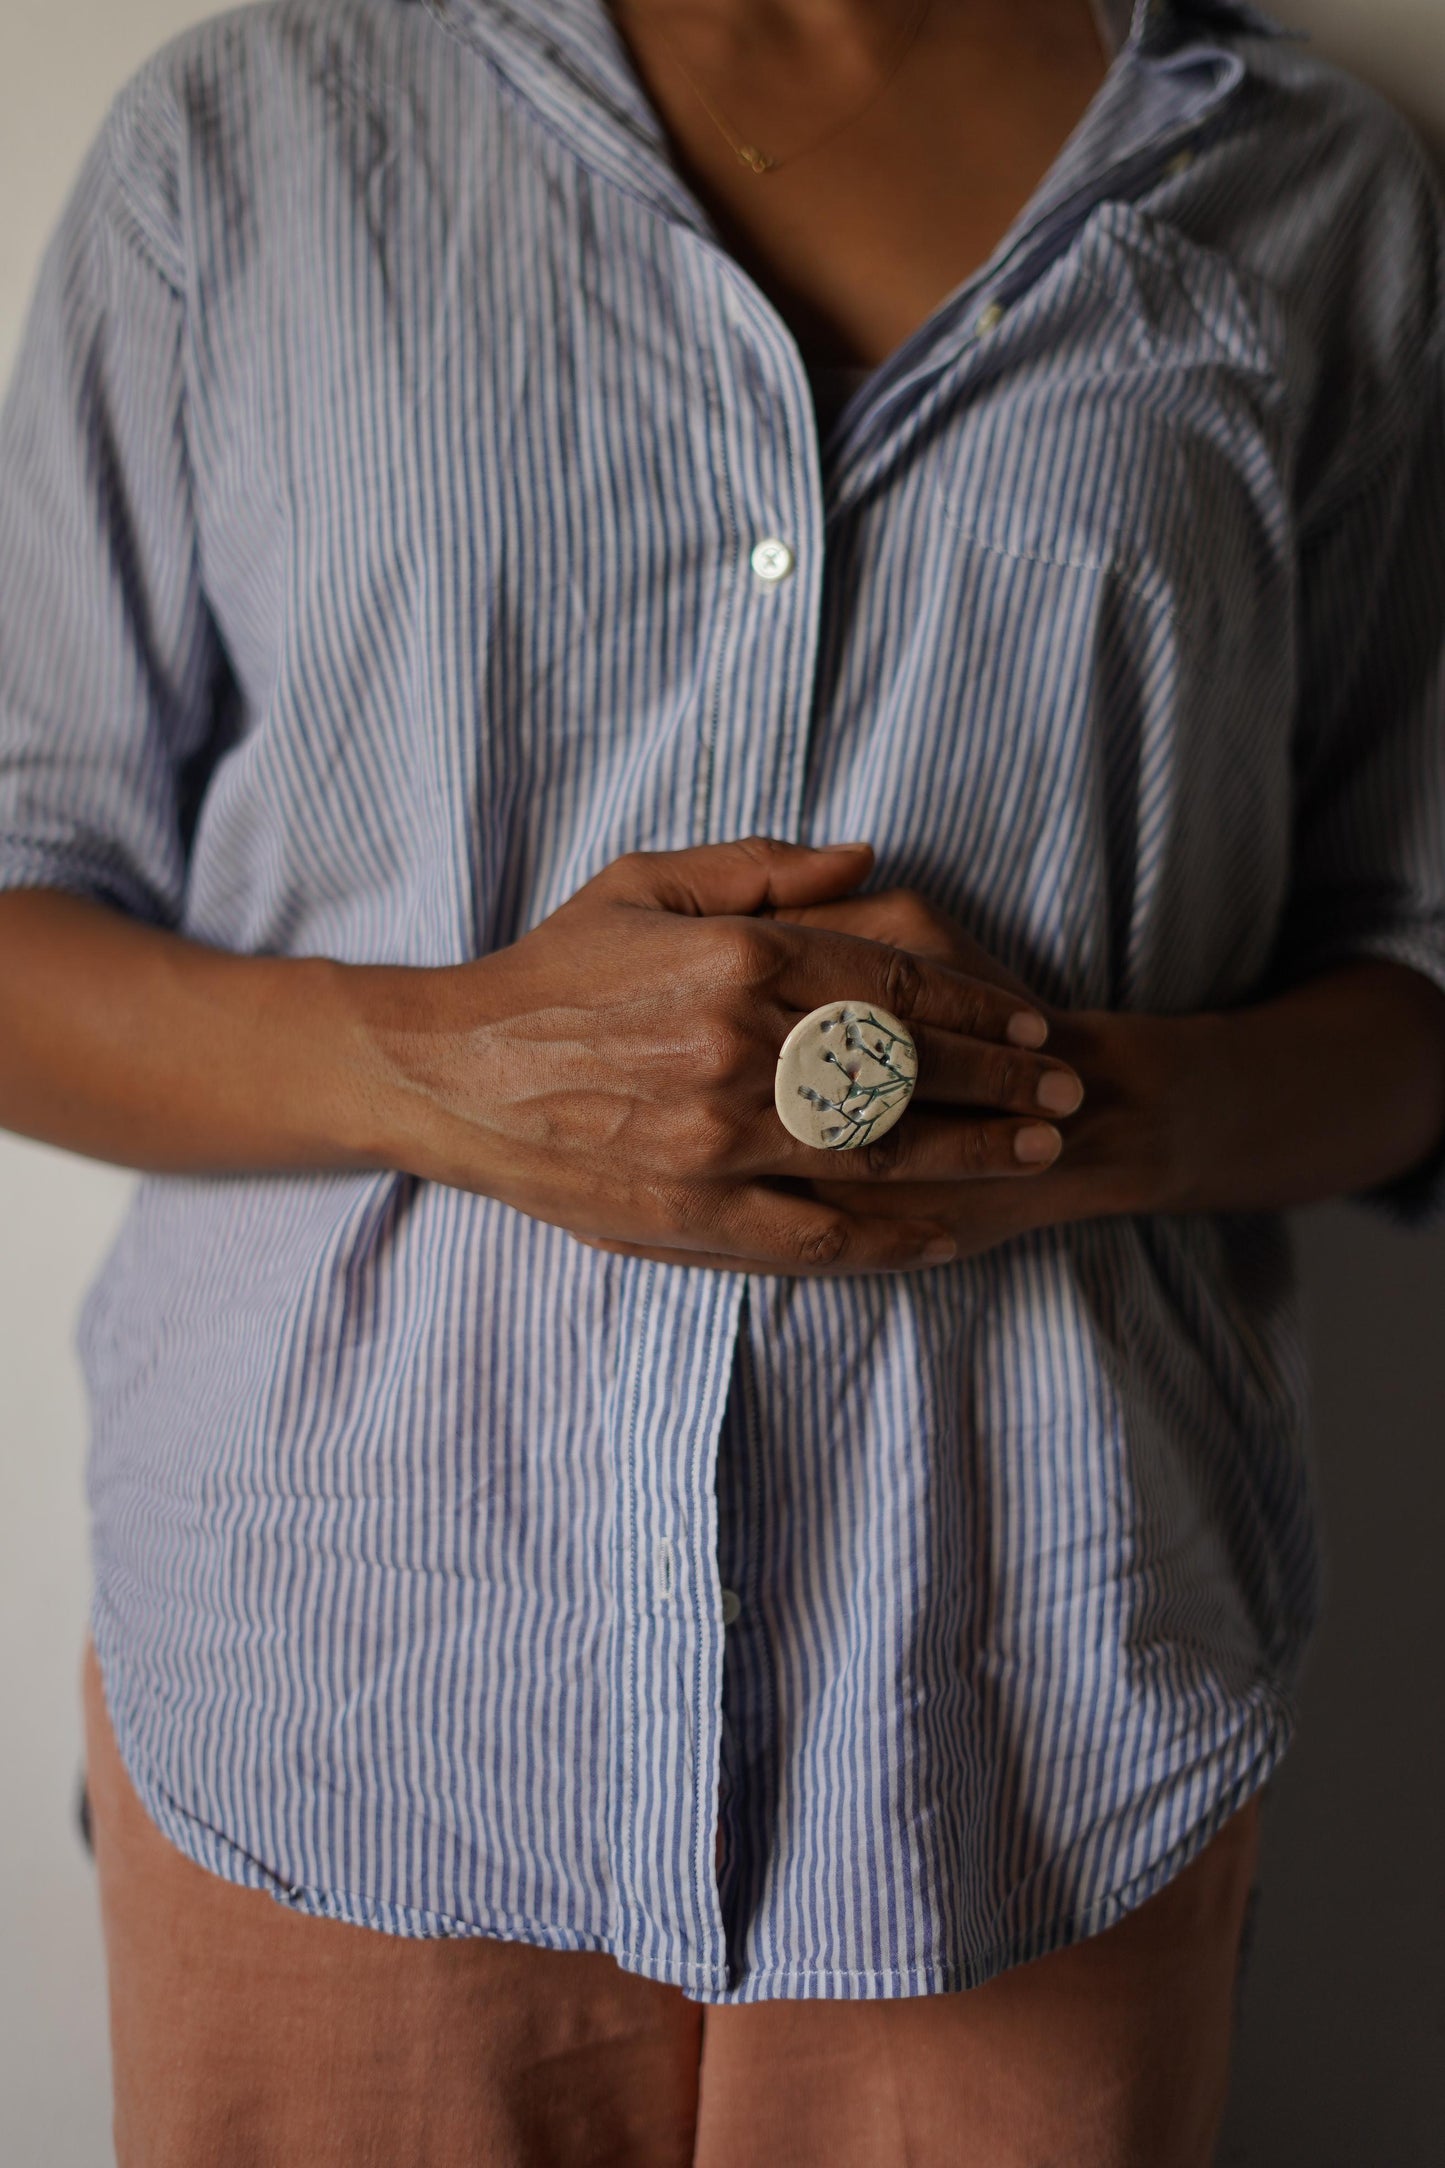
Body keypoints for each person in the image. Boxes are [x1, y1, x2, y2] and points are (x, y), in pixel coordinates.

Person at [2, 0, 1443, 2160]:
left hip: (1019, 1724)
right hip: (349, 1687)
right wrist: (449, 1068)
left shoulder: (1316, 195)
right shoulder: (253, 141)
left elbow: (1416, 983)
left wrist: (1080, 1115)